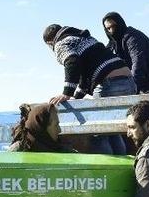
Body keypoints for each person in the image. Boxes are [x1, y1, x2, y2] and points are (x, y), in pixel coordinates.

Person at [43, 23, 136, 155]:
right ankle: (121, 165)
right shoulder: (84, 38)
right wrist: (77, 97)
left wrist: (67, 93)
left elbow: (72, 61)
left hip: (109, 82)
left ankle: (105, 169)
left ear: (49, 42)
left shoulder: (60, 43)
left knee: (98, 133)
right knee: (111, 132)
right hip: (128, 82)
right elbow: (86, 78)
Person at [102, 12, 149, 94]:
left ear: (120, 23)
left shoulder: (133, 37)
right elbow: (104, 64)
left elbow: (138, 63)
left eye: (114, 26)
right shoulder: (112, 45)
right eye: (108, 28)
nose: (112, 30)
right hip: (140, 85)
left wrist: (130, 86)